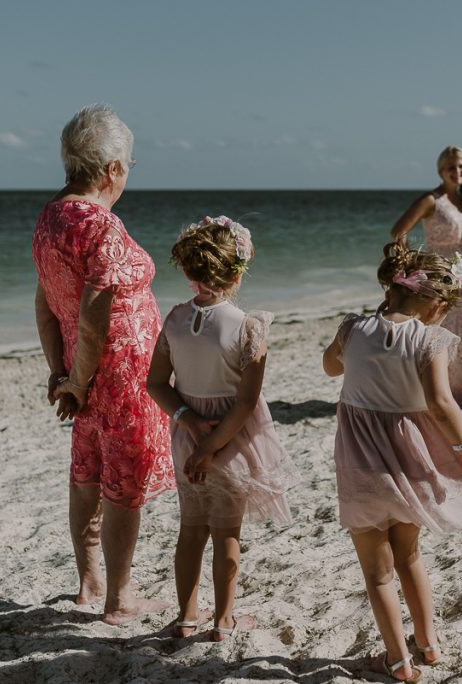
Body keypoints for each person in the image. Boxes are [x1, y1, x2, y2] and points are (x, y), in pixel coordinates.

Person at [323, 243, 462, 682]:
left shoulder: (353, 328)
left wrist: (353, 341)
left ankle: (398, 661)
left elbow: (330, 367)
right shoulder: (430, 339)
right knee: (410, 556)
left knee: (378, 572)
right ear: (438, 305)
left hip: (360, 466)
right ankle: (428, 643)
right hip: (407, 466)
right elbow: (441, 404)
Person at [33, 104, 174, 625]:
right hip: (119, 376)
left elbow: (45, 304)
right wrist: (76, 377)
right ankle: (119, 597)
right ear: (112, 168)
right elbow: (94, 319)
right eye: (129, 164)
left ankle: (89, 580)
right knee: (122, 485)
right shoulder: (101, 227)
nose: (127, 174)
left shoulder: (50, 218)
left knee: (88, 474)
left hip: (82, 370)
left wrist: (62, 374)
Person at [147, 215, 292, 641]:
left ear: (190, 269)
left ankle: (186, 616)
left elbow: (156, 383)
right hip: (231, 437)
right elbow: (245, 402)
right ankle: (223, 620)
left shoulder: (173, 318)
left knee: (191, 528)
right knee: (227, 531)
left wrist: (188, 420)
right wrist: (211, 444)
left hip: (186, 434)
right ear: (238, 270)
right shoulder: (249, 326)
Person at [389, 146, 462, 408]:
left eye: (461, 166)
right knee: (436, 330)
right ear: (441, 171)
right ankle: (433, 392)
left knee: (459, 331)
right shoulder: (431, 200)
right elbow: (398, 232)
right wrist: (410, 267)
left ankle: (458, 392)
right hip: (438, 275)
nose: (457, 171)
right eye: (451, 167)